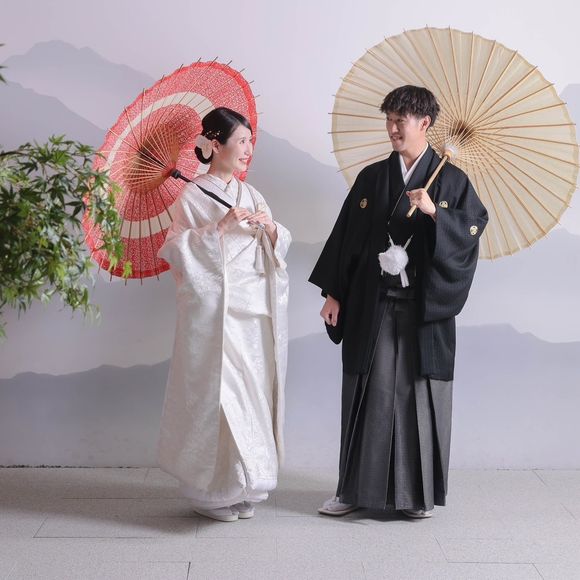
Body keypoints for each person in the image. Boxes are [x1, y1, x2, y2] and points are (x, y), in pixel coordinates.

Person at [309, 85, 488, 519]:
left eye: (399, 121)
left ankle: (415, 498)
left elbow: (471, 232)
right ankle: (352, 491)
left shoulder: (452, 181)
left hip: (422, 310)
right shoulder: (373, 178)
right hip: (373, 303)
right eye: (388, 120)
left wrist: (435, 213)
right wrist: (334, 292)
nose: (391, 128)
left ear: (424, 123)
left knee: (415, 397)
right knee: (367, 392)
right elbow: (347, 235)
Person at [157, 107, 291, 522]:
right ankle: (211, 492)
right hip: (217, 315)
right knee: (218, 396)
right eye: (241, 142)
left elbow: (277, 246)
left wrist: (271, 230)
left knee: (251, 394)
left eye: (251, 142)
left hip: (253, 311)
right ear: (215, 145)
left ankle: (247, 484)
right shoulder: (193, 196)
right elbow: (175, 249)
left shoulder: (252, 195)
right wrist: (217, 230)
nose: (248, 150)